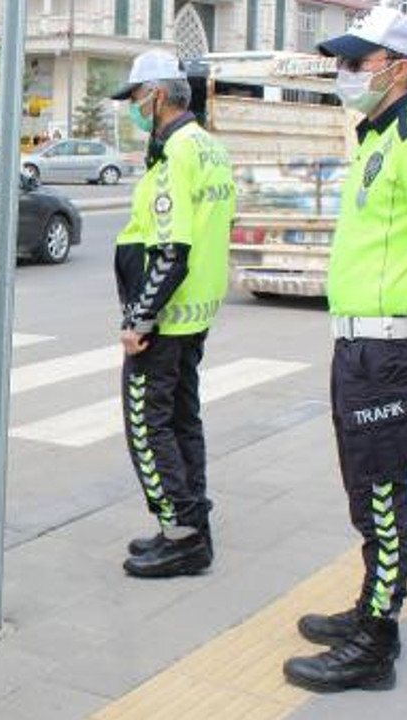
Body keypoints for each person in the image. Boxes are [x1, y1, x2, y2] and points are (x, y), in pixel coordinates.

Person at [283, 7, 407, 693]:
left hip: (390, 349)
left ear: (398, 68)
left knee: (381, 490)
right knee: (363, 489)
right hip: (361, 345)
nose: (345, 73)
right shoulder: (376, 135)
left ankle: (377, 642)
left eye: (356, 62)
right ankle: (370, 605)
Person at [108, 50, 235, 578]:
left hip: (165, 317)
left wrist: (140, 319)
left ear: (157, 95)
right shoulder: (210, 146)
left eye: (136, 98)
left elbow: (170, 249)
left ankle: (180, 534)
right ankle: (194, 518)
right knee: (183, 417)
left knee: (146, 423)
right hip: (196, 313)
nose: (133, 109)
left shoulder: (175, 153)